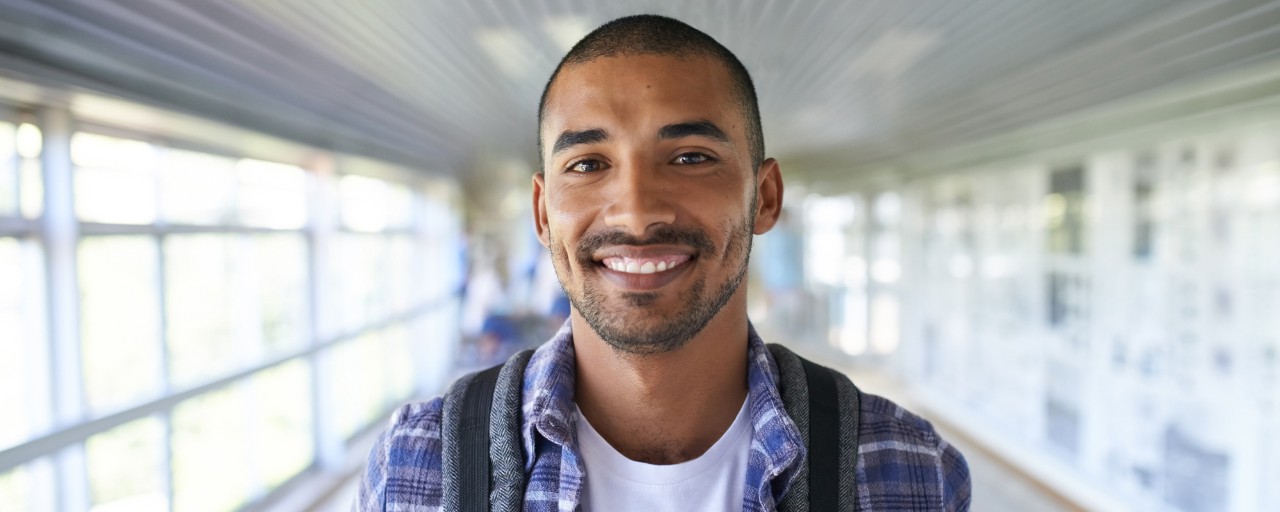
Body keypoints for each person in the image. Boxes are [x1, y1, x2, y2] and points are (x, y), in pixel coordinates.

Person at [359, 14, 970, 511]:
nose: (635, 214)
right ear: (543, 213)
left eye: (690, 158)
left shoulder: (906, 471)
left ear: (766, 197)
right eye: (589, 163)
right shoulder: (420, 465)